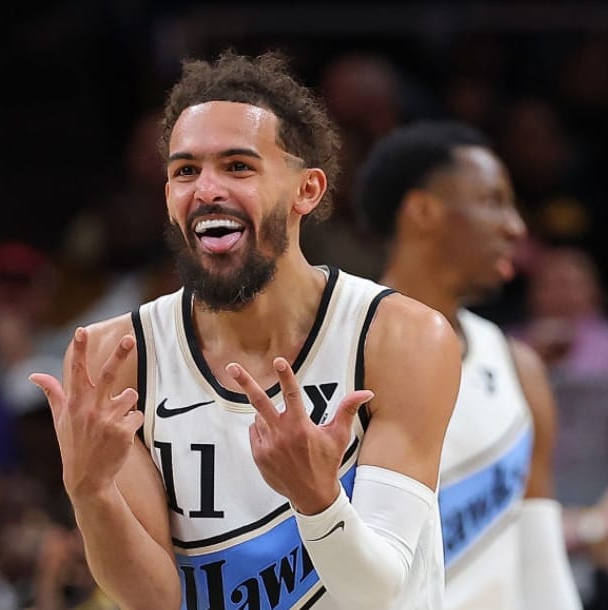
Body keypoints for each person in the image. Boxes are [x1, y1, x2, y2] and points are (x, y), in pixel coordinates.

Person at [29, 51, 461, 610]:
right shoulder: (118, 355)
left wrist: (317, 500)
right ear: (167, 197)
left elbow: (378, 593)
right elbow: (156, 600)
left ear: (307, 190)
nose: (205, 189)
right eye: (185, 171)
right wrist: (90, 493)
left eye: (237, 166)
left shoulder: (399, 337)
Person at [354, 120, 582, 609]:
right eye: (493, 200)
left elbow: (539, 553)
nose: (515, 226)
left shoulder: (518, 364)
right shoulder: (343, 345)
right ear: (423, 212)